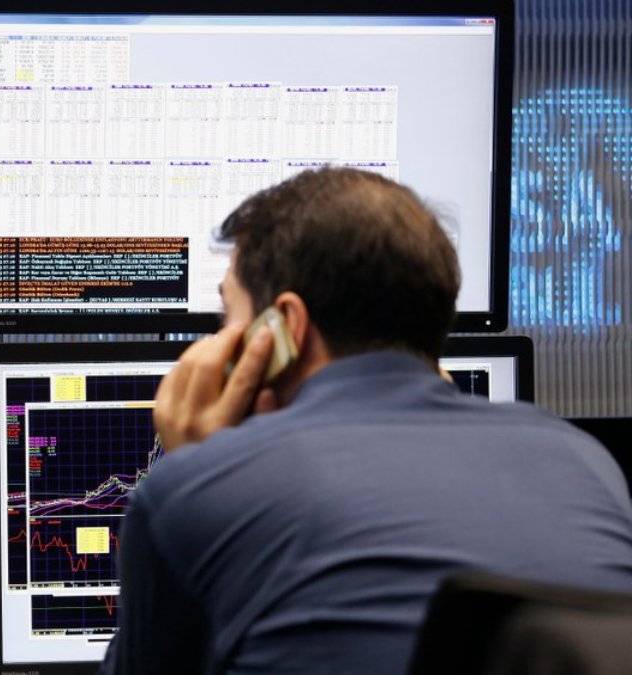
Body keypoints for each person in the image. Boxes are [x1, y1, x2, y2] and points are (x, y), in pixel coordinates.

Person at [98, 167, 632, 675]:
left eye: (227, 317)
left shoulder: (201, 487)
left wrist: (197, 464)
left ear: (285, 327)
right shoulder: (584, 462)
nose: (220, 341)